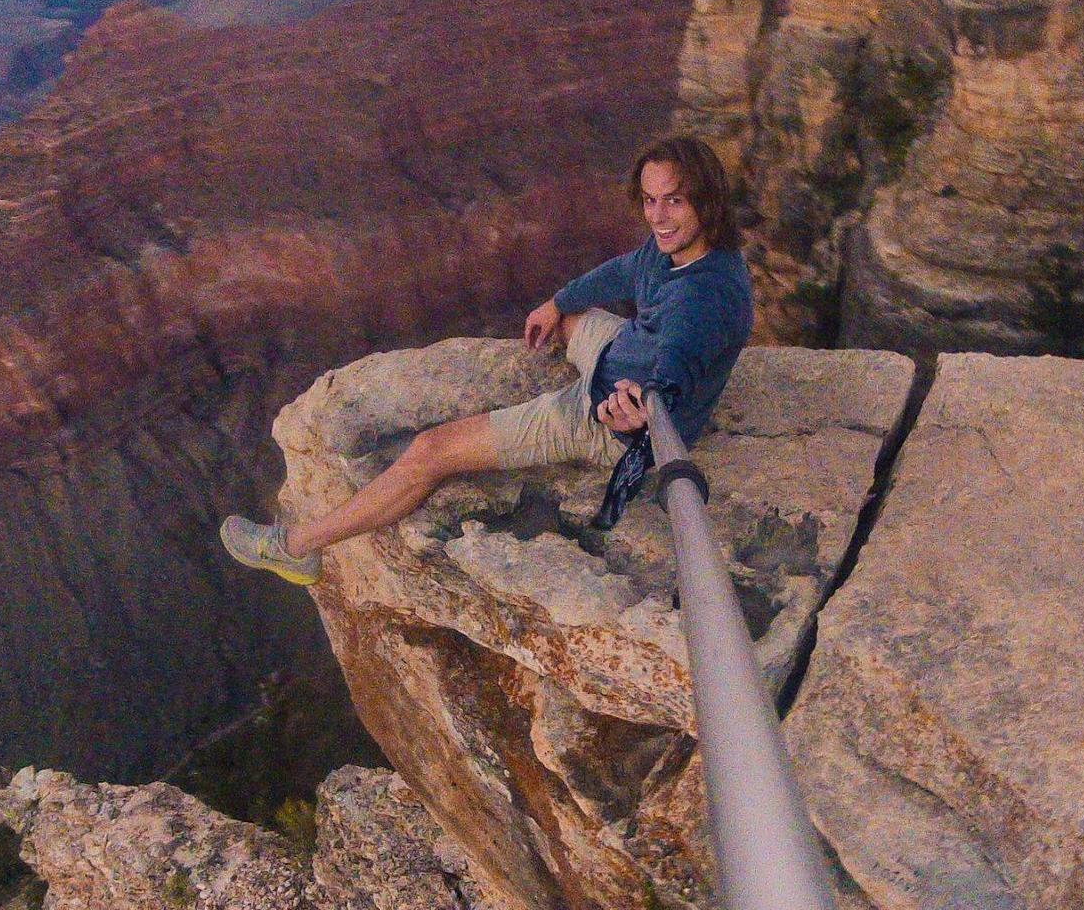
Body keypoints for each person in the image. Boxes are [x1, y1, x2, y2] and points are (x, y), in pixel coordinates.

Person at [221, 134, 755, 585]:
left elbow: (675, 367)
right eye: (649, 200)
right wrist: (558, 303)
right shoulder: (679, 252)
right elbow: (624, 271)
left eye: (675, 202)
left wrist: (642, 410)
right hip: (624, 348)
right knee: (567, 323)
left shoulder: (702, 301)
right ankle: (578, 334)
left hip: (606, 419)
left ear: (706, 201)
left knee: (431, 451)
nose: (657, 217)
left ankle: (295, 548)